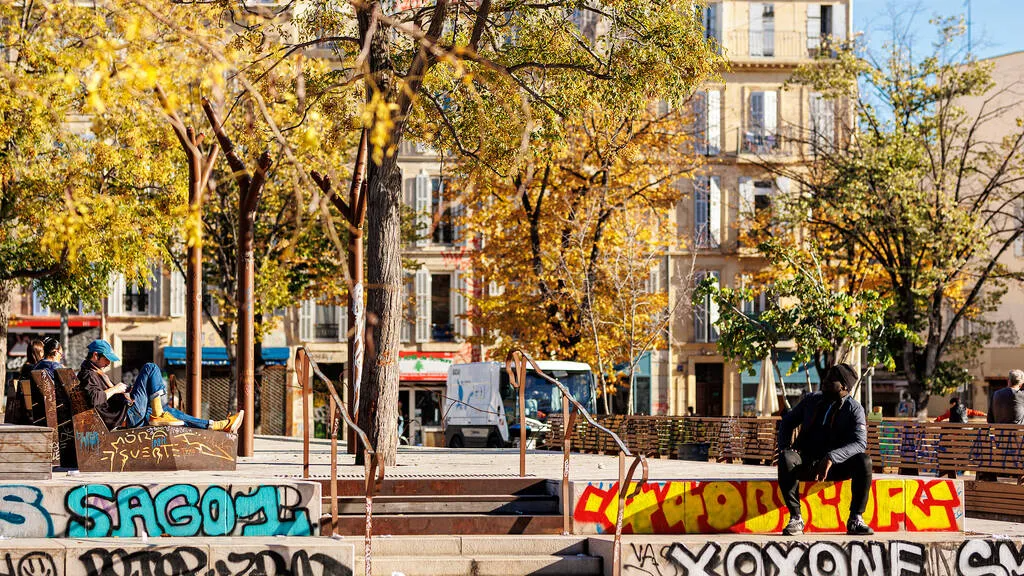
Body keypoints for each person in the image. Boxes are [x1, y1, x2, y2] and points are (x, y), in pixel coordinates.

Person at [777, 363, 873, 536]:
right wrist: (785, 447)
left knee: (864, 461)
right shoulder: (811, 400)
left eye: (831, 379)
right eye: (827, 377)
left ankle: (855, 519)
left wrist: (831, 457)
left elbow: (860, 443)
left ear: (844, 386)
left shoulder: (855, 409)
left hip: (835, 466)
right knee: (786, 458)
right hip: (806, 462)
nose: (825, 381)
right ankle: (795, 518)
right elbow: (787, 422)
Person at [78, 339, 243, 432]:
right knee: (150, 368)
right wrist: (116, 389)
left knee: (172, 413)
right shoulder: (88, 375)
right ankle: (158, 414)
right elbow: (94, 399)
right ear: (95, 355)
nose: (108, 363)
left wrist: (124, 390)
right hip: (125, 416)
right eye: (106, 359)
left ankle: (218, 425)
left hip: (127, 411)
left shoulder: (95, 372)